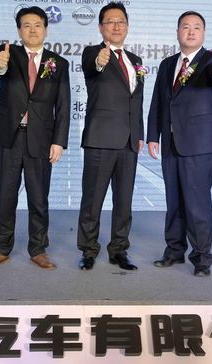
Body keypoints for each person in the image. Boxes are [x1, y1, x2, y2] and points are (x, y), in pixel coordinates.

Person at [0, 6, 70, 269]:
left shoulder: (58, 63)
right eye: (26, 25)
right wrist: (0, 64)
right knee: (5, 196)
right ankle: (1, 248)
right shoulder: (8, 54)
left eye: (37, 25)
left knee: (38, 197)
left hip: (40, 139)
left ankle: (38, 249)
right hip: (8, 137)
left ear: (46, 29)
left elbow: (63, 105)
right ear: (19, 30)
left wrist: (58, 141)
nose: (32, 30)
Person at [147, 11, 212, 277]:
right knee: (174, 202)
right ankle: (174, 251)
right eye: (185, 27)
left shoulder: (211, 60)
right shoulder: (168, 64)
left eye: (196, 27)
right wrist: (152, 136)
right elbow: (158, 102)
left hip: (198, 145)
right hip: (171, 144)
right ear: (177, 32)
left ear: (203, 33)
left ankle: (202, 258)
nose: (191, 32)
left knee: (197, 204)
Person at [77, 2, 144, 271]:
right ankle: (89, 250)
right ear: (101, 27)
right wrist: (99, 61)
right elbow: (92, 68)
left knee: (124, 201)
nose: (116, 26)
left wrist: (138, 134)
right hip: (100, 139)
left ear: (127, 26)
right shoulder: (92, 53)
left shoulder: (135, 61)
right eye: (110, 22)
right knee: (92, 199)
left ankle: (119, 249)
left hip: (129, 141)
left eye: (121, 21)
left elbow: (136, 101)